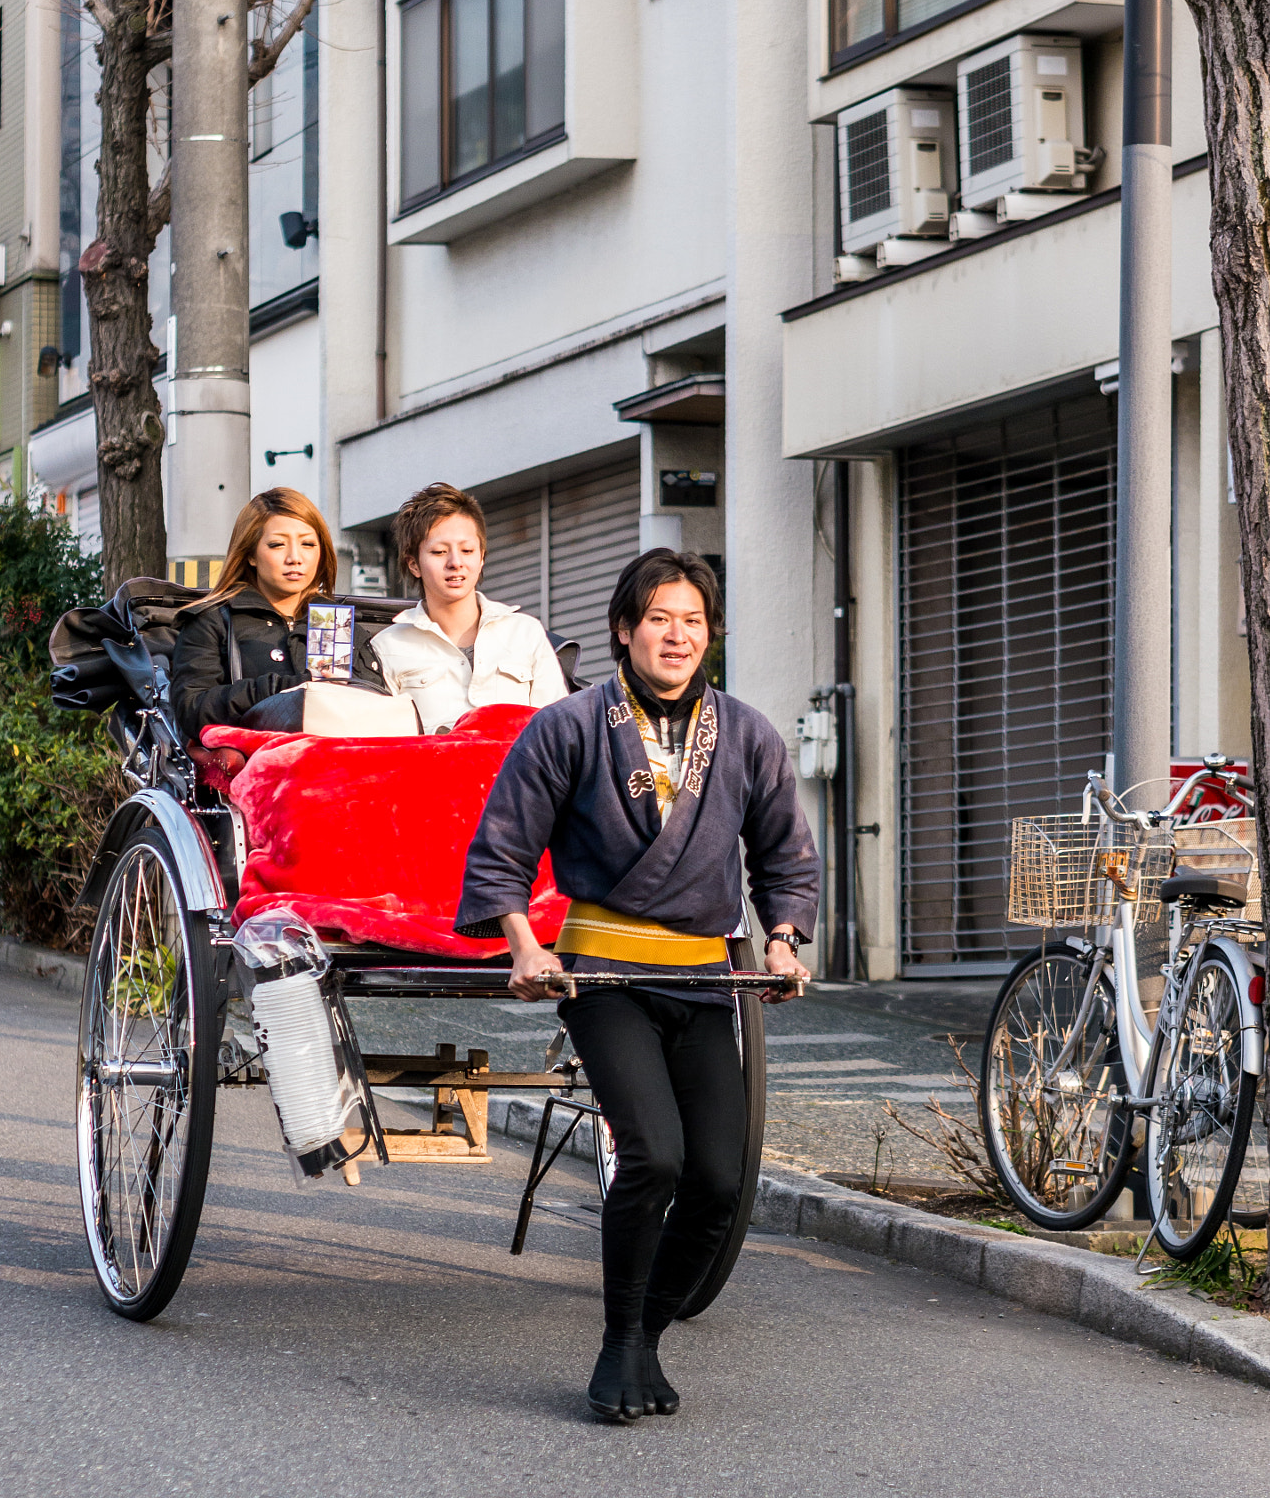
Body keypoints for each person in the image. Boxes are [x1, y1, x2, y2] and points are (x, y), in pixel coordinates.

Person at [456, 549, 820, 1424]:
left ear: (710, 635)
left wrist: (778, 942)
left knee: (722, 1180)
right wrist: (523, 948)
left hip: (704, 976)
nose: (676, 634)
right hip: (603, 973)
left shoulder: (746, 733)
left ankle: (645, 1335)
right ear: (624, 629)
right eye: (659, 617)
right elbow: (503, 847)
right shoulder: (571, 726)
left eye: (692, 620)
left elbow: (782, 856)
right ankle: (618, 1341)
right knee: (653, 1153)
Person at [171, 488, 392, 742]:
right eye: (277, 545)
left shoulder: (330, 619)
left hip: (336, 768)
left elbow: (376, 707)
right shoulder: (216, 619)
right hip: (257, 769)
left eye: (308, 544)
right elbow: (191, 710)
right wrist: (288, 689)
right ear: (251, 554)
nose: (295, 558)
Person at [373, 482, 567, 733]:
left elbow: (559, 732)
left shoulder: (525, 632)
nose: (456, 562)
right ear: (414, 565)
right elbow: (385, 746)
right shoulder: (387, 647)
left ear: (482, 556)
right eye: (439, 552)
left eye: (467, 550)